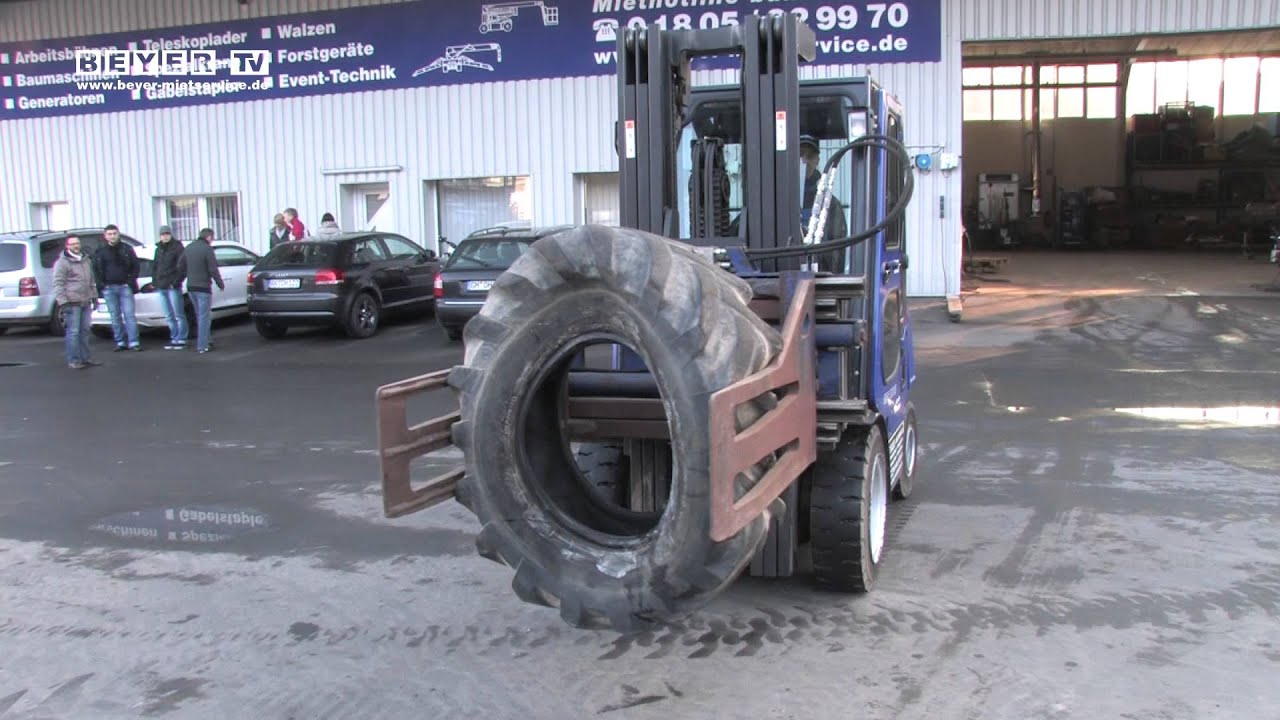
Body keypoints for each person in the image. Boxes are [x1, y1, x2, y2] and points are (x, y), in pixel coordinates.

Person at [52, 234, 102, 369]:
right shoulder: (62, 263)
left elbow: (91, 280)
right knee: (73, 332)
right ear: (67, 246)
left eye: (77, 243)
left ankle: (86, 358)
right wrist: (63, 302)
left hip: (85, 301)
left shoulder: (86, 260)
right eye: (72, 243)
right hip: (71, 302)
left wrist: (94, 296)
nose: (76, 246)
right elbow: (58, 284)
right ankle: (74, 360)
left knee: (85, 331)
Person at [92, 223, 142, 352]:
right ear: (105, 236)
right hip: (109, 288)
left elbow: (136, 266)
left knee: (129, 315)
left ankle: (134, 342)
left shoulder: (126, 249)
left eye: (114, 234)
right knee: (115, 316)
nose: (112, 236)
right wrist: (102, 285)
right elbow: (96, 270)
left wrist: (130, 282)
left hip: (125, 287)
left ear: (118, 234)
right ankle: (120, 342)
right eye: (110, 234)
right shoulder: (100, 251)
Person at [183, 227, 225, 354]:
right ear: (209, 237)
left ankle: (207, 340)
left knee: (199, 315)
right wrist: (220, 283)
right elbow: (213, 269)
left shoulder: (189, 248)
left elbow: (181, 265)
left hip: (191, 287)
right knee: (204, 317)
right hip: (203, 287)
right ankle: (203, 345)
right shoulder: (207, 249)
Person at [153, 225, 188, 351]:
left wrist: (176, 282)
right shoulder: (158, 249)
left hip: (173, 286)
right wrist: (155, 282)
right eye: (163, 234)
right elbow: (155, 266)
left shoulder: (178, 247)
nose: (165, 236)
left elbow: (182, 267)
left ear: (171, 234)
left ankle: (182, 338)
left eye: (167, 233)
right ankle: (174, 338)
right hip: (161, 286)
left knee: (178, 314)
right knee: (168, 315)